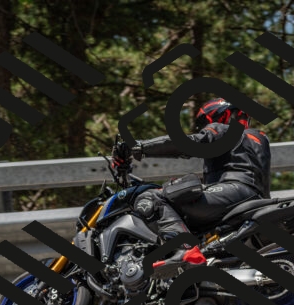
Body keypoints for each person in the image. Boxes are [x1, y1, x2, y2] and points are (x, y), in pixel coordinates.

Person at [112, 98, 271, 279]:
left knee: (153, 198)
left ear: (221, 115)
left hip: (233, 192)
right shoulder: (259, 138)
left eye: (204, 123)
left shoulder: (223, 130)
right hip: (256, 201)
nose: (204, 128)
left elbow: (189, 143)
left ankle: (184, 250)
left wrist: (139, 147)